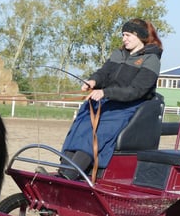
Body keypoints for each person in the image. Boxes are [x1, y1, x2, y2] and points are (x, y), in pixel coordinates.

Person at [59, 18, 163, 180]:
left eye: (128, 35)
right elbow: (104, 73)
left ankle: (72, 173)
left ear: (140, 36)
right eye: (123, 35)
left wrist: (106, 92)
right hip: (109, 100)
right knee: (82, 119)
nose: (124, 39)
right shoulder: (119, 54)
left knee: (100, 128)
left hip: (129, 106)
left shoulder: (151, 60)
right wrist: (93, 81)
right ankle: (64, 168)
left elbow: (136, 91)